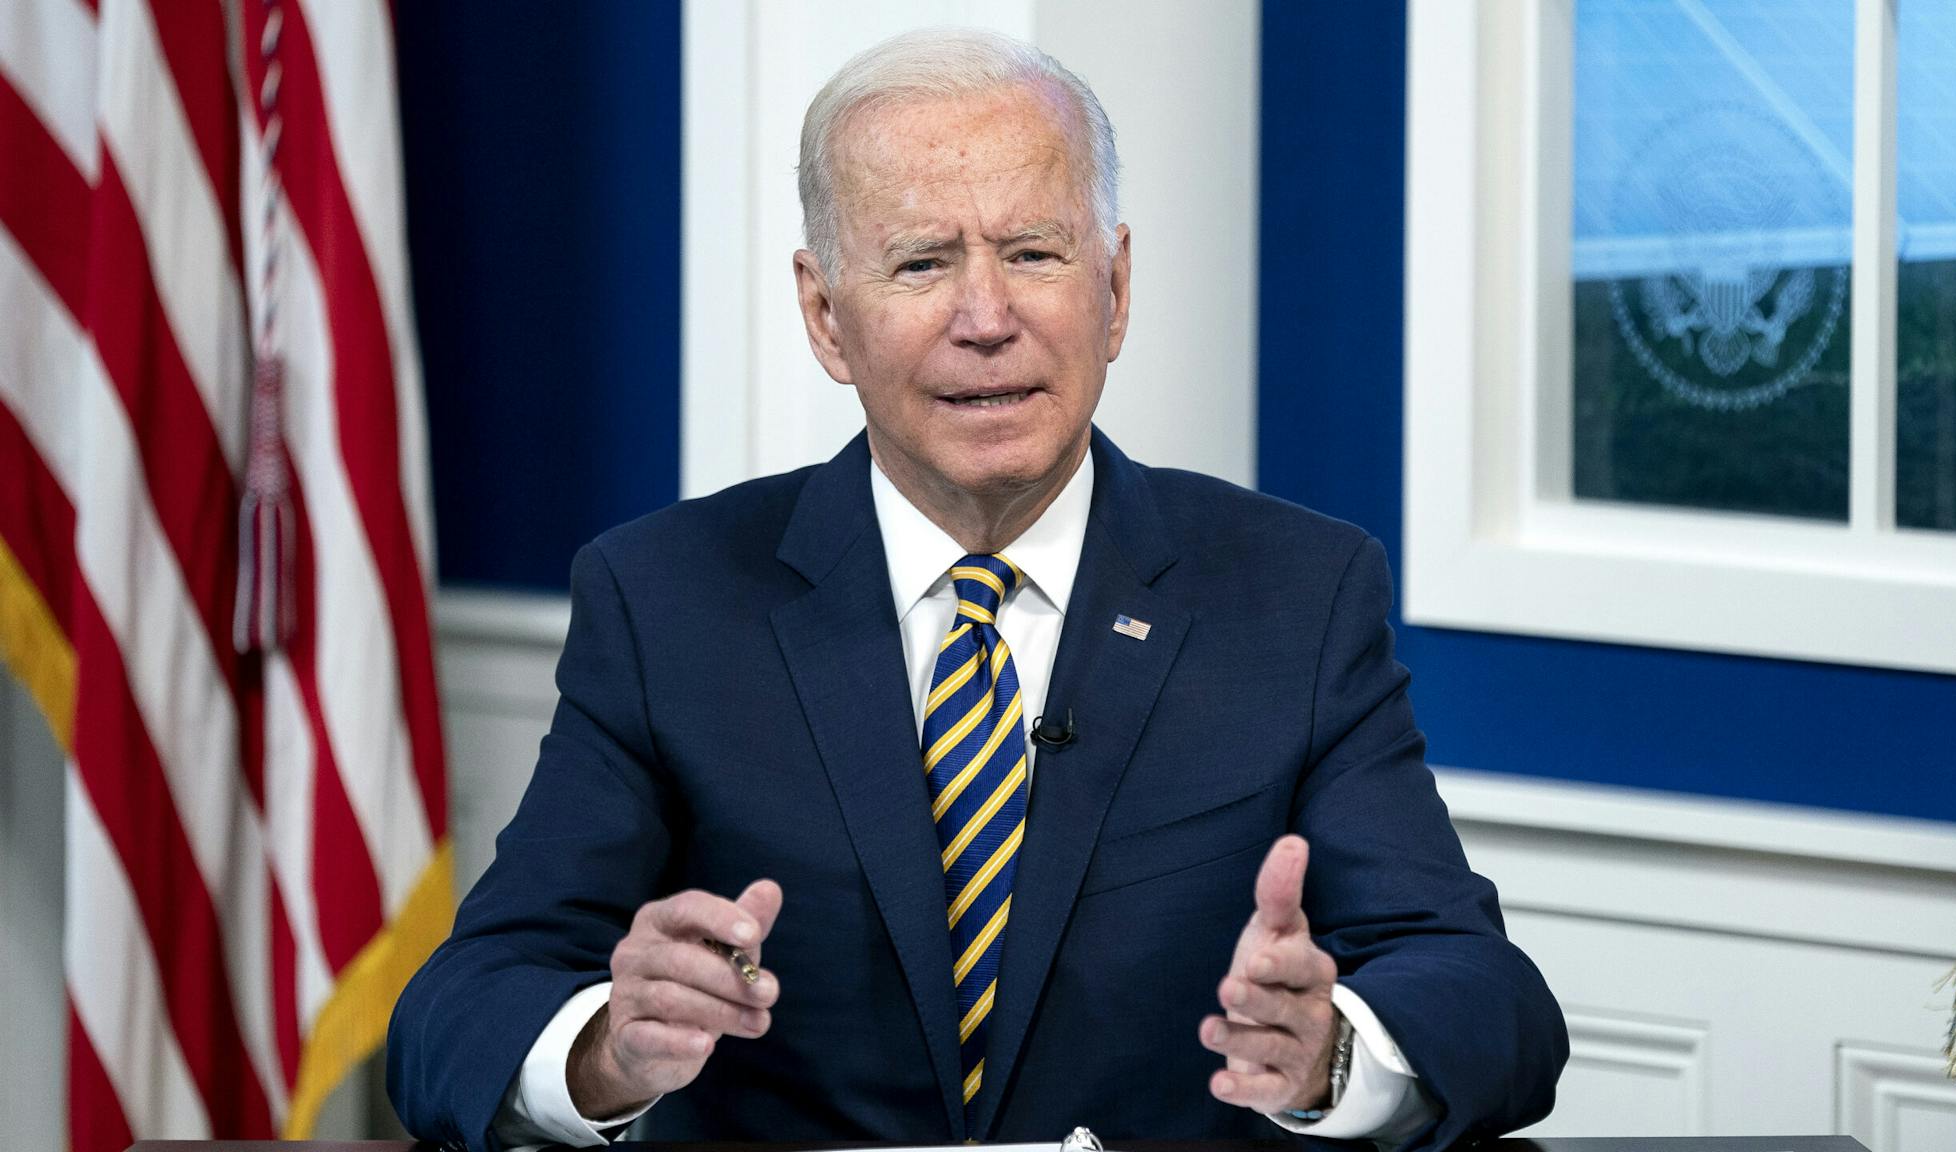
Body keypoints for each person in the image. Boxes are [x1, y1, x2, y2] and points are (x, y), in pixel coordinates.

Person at [387, 27, 1568, 1152]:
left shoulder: (1296, 594)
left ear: (1112, 287)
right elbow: (455, 1016)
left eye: (1034, 253)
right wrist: (607, 1047)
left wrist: (1331, 1058)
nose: (986, 320)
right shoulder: (666, 600)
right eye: (921, 263)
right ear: (824, 315)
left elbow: (1491, 1006)